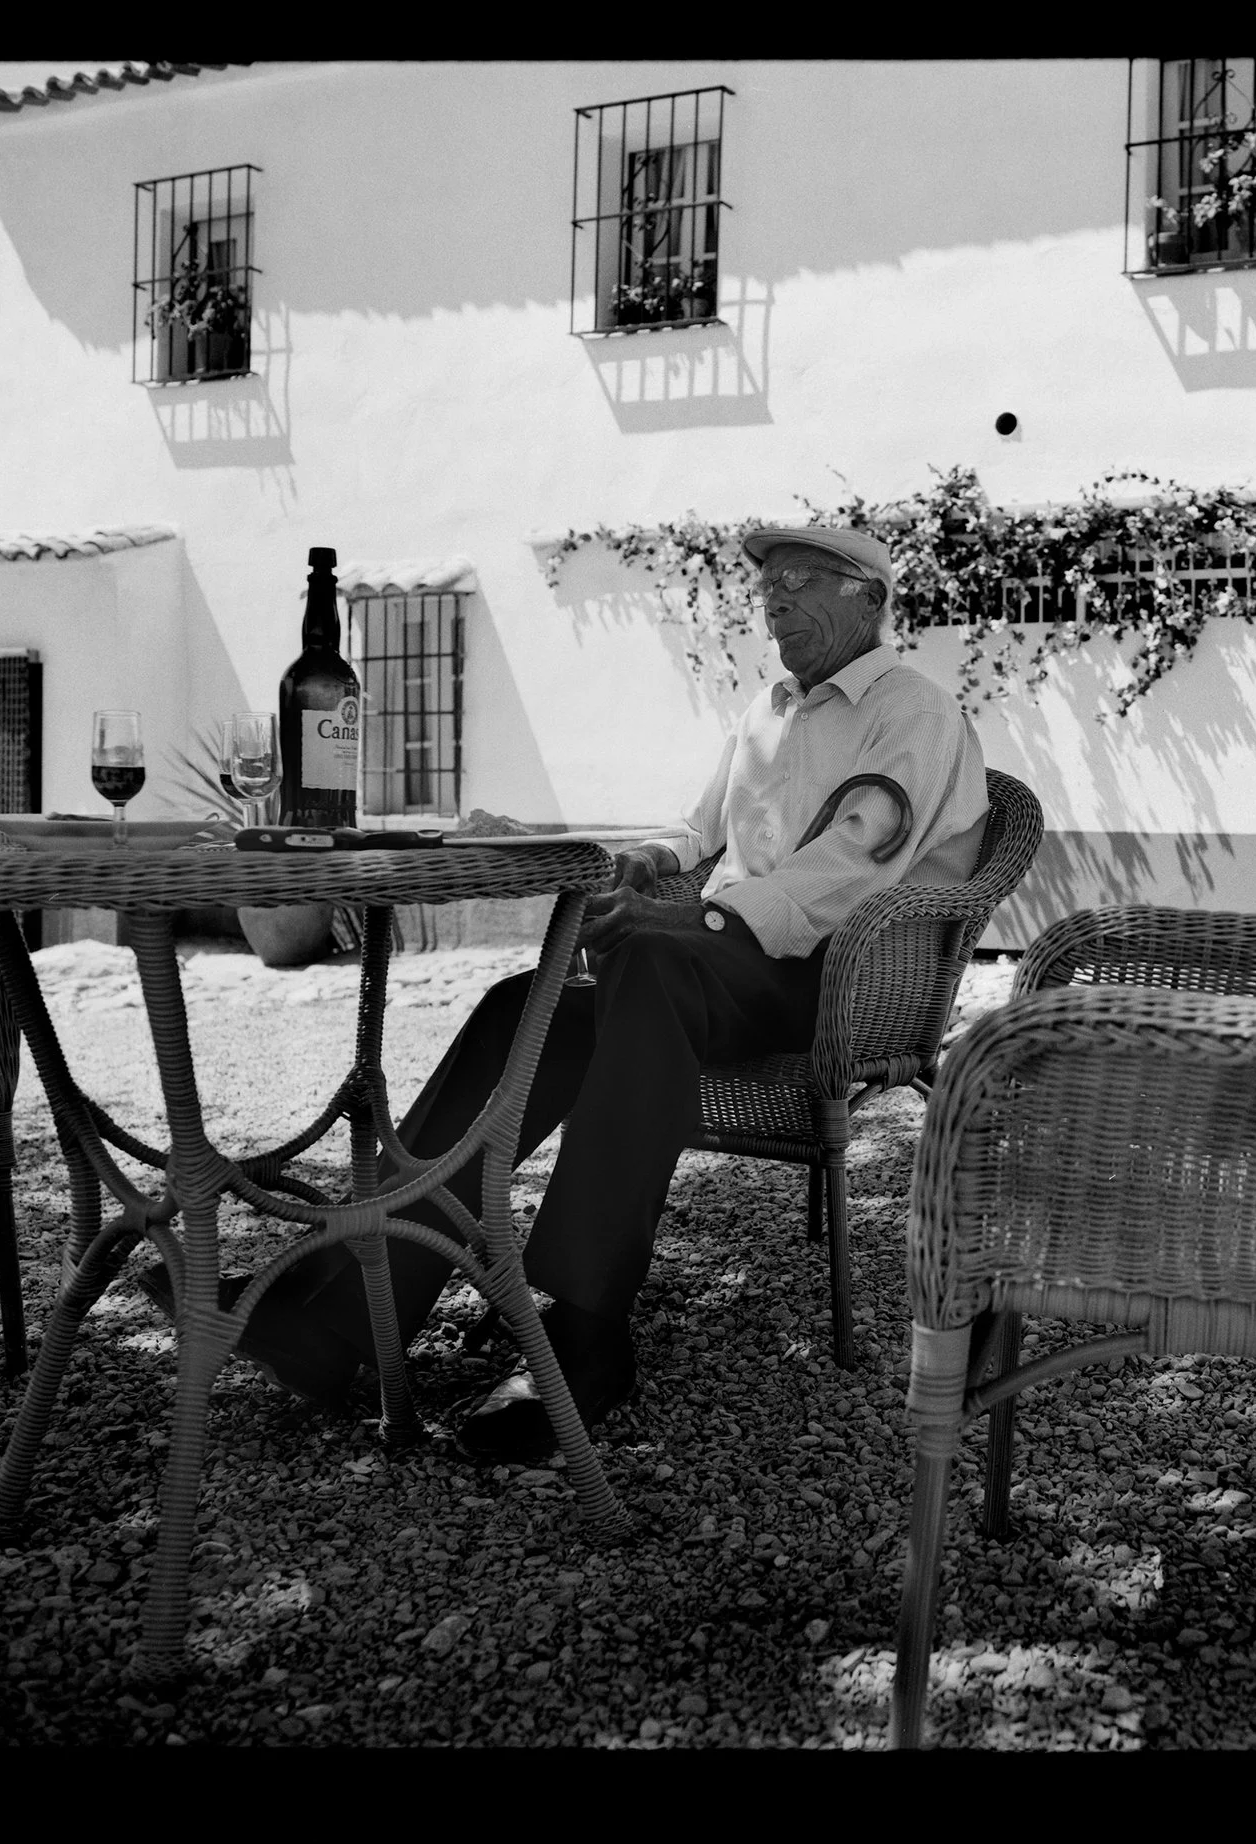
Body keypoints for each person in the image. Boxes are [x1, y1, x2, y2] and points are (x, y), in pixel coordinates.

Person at [147, 526, 988, 1463]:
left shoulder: (912, 712)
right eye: (767, 585)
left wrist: (693, 920)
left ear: (870, 598)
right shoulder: (770, 710)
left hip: (840, 979)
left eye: (800, 580)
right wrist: (641, 865)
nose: (774, 598)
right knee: (524, 1007)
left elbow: (849, 868)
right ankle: (345, 1314)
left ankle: (588, 1329)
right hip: (718, 968)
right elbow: (697, 830)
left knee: (651, 961)